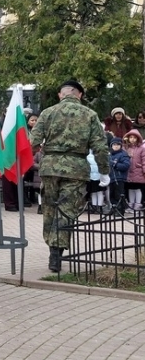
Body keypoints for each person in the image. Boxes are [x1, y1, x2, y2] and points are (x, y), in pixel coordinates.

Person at [30, 80, 109, 272]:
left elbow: (33, 142)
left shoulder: (47, 113)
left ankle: (52, 250)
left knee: (49, 209)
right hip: (76, 168)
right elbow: (100, 147)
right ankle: (56, 254)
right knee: (66, 210)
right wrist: (104, 171)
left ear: (60, 94)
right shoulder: (90, 115)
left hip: (49, 167)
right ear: (79, 94)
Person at [123, 129, 145, 211]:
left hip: (138, 171)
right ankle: (131, 204)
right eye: (131, 137)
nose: (132, 139)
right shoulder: (125, 148)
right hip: (128, 172)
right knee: (130, 189)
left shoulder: (141, 148)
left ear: (138, 139)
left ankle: (138, 204)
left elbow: (144, 160)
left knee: (137, 189)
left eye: (134, 138)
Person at [108, 137, 130, 212]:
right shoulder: (110, 155)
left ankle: (120, 210)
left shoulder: (123, 154)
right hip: (111, 178)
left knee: (119, 195)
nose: (116, 146)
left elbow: (126, 165)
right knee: (111, 194)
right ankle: (114, 208)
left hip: (119, 178)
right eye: (114, 145)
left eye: (118, 144)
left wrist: (116, 164)